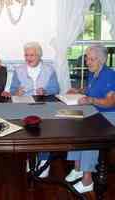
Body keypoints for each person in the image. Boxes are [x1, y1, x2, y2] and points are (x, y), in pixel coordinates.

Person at [65, 45, 115, 193]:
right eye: (87, 58)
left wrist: (92, 100)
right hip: (95, 111)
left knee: (89, 134)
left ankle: (87, 181)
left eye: (92, 59)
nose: (87, 62)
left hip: (110, 115)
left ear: (102, 60)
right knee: (76, 126)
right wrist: (78, 90)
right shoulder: (93, 73)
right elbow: (90, 89)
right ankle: (78, 168)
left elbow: (111, 102)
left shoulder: (110, 75)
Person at [10, 42, 60, 178]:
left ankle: (44, 160)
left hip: (44, 104)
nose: (28, 58)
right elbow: (12, 90)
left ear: (39, 55)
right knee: (28, 132)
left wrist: (45, 90)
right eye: (26, 55)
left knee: (44, 132)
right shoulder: (18, 70)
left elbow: (56, 89)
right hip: (25, 105)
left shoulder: (49, 69)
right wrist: (17, 91)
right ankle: (32, 157)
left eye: (31, 55)